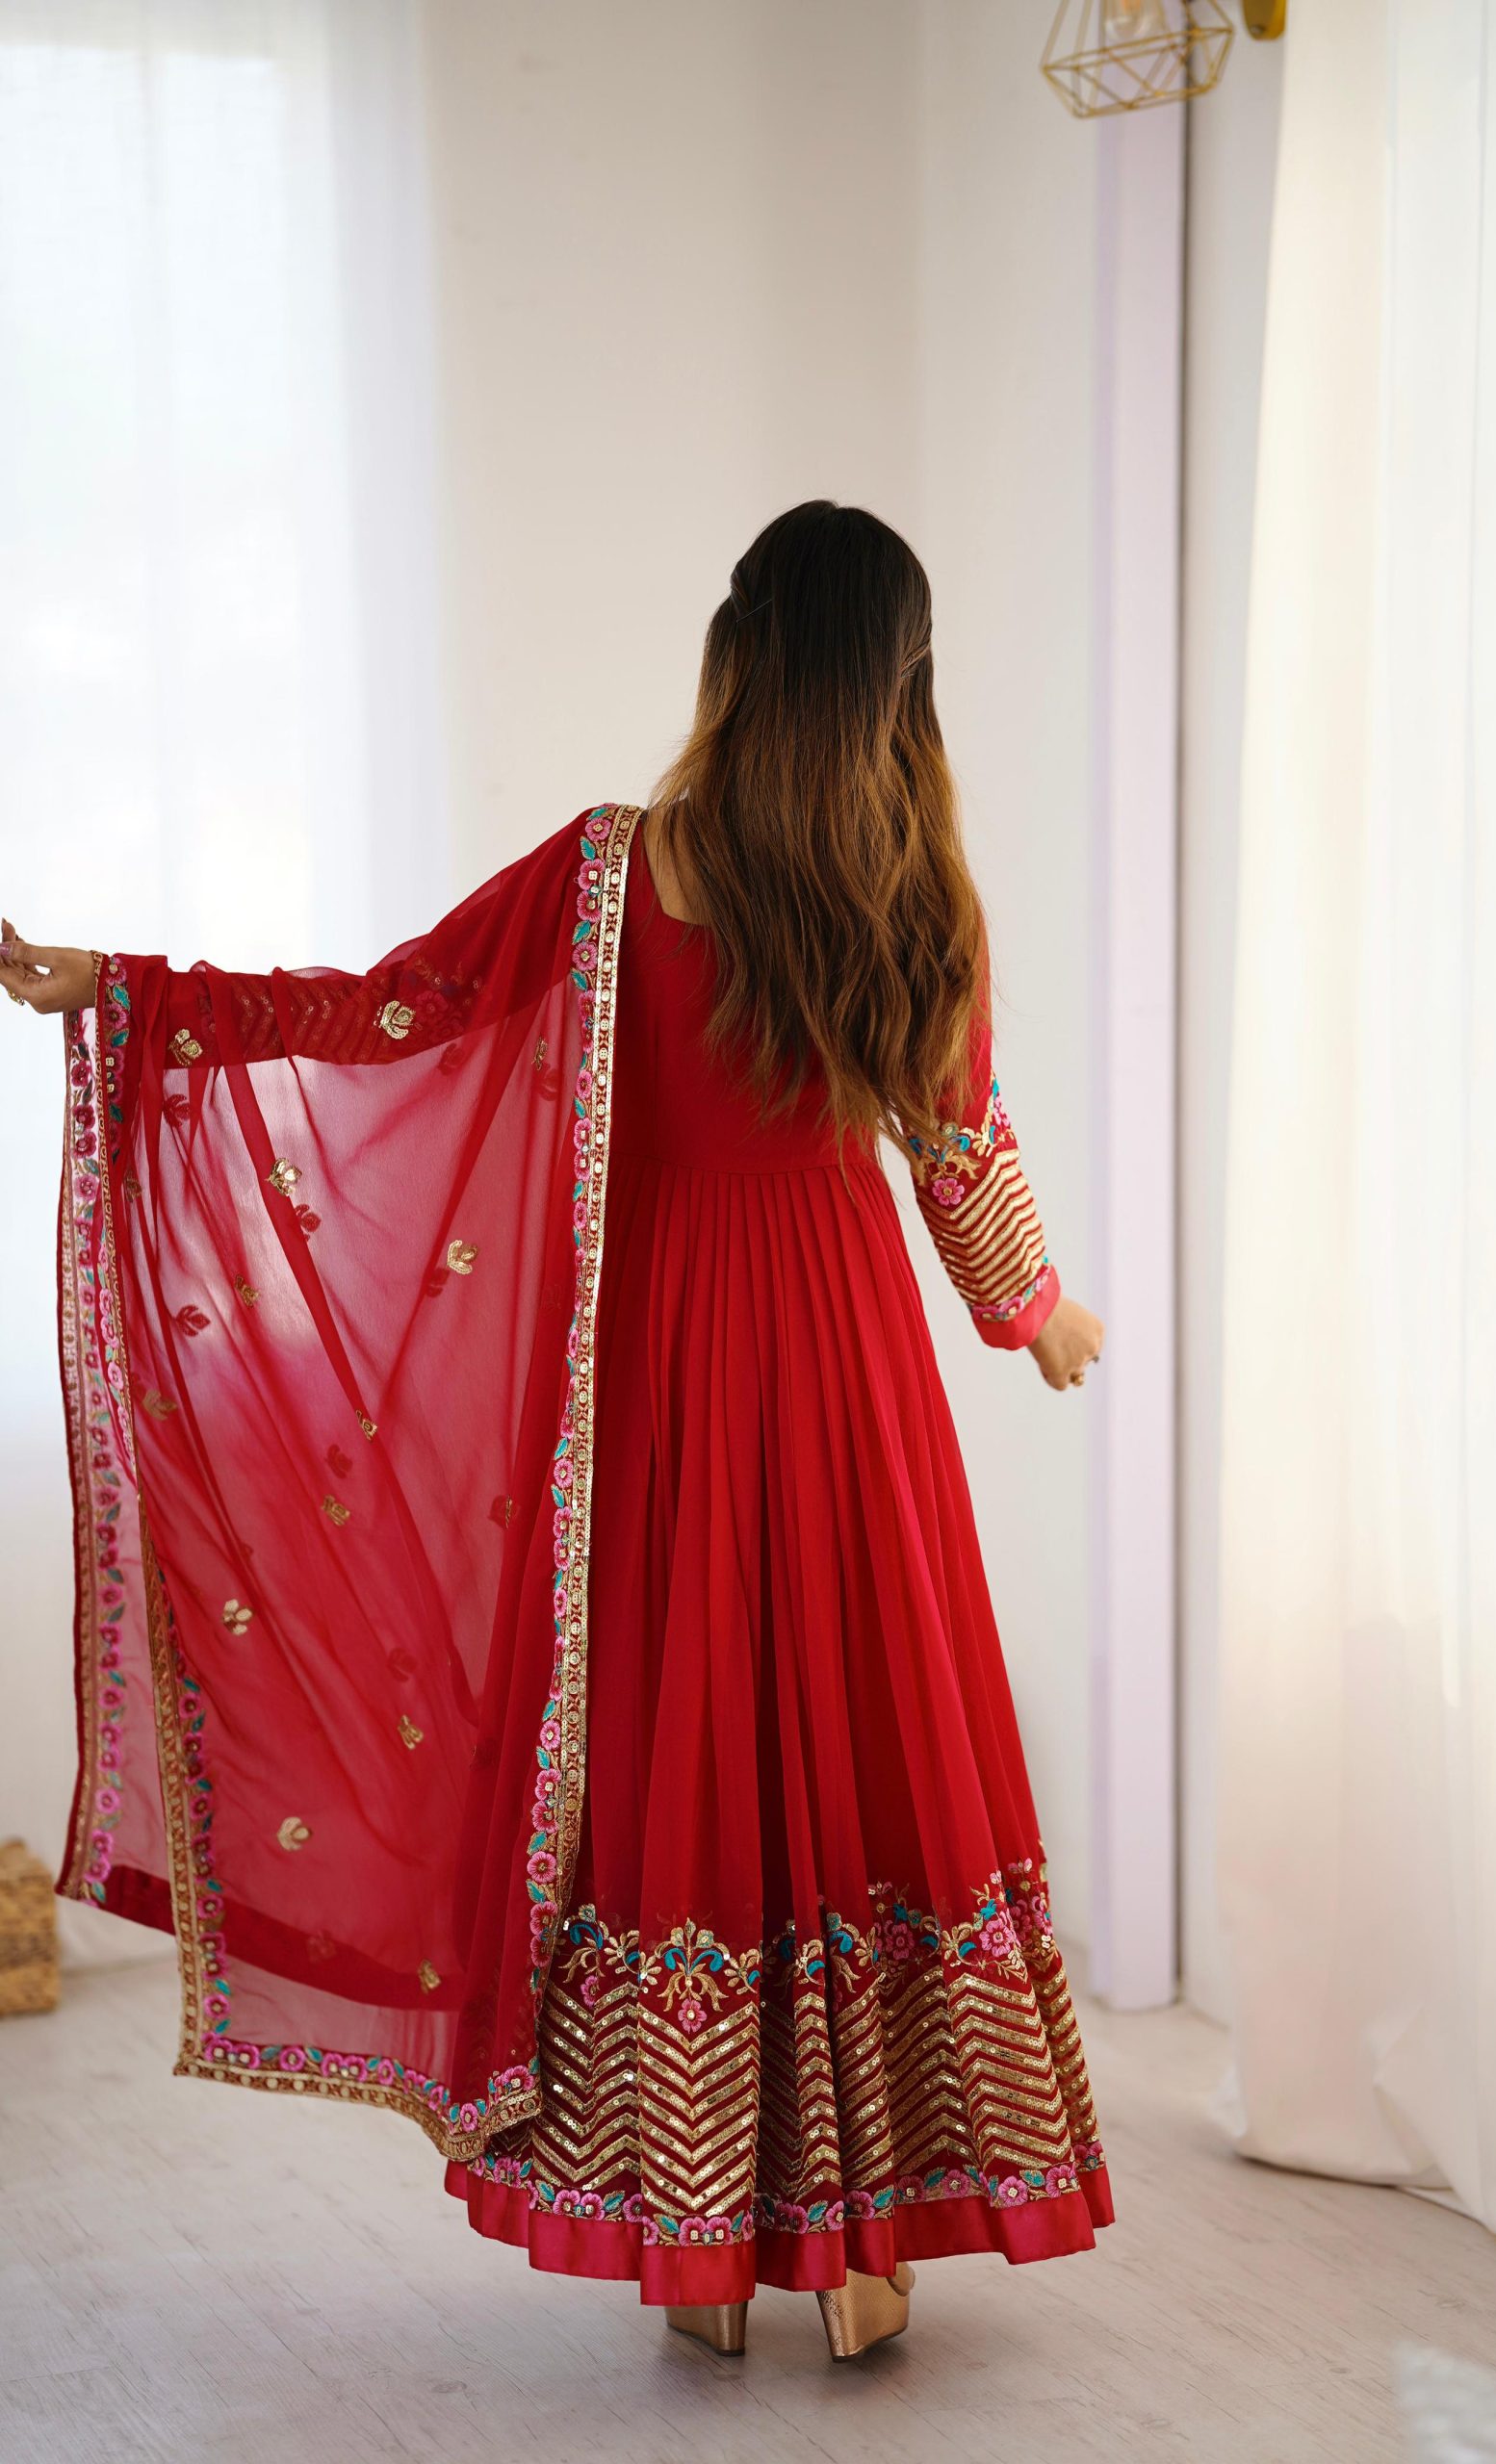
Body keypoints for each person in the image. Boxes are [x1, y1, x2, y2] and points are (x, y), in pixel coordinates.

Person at [5, 500, 1109, 2364]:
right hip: (846, 1366)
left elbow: (390, 1010)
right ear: (901, 683)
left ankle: (702, 2237)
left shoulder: (618, 867)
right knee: (857, 1723)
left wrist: (139, 992)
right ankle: (865, 2251)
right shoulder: (916, 890)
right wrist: (1032, 1311)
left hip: (660, 1368)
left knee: (681, 1743)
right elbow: (955, 1138)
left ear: (737, 651)